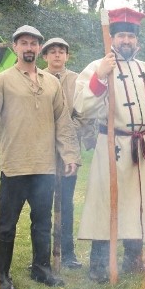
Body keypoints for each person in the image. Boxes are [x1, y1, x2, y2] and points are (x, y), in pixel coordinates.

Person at [0, 25, 80, 289]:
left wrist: (69, 153)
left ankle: (41, 267)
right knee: (8, 223)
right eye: (24, 43)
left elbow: (63, 122)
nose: (29, 47)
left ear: (38, 48)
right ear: (15, 47)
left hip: (44, 165)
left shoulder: (52, 82)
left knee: (42, 221)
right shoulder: (2, 80)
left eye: (33, 43)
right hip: (16, 164)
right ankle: (3, 274)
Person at [74, 7, 145, 282]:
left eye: (130, 36)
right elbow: (82, 107)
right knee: (107, 203)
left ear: (137, 41)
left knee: (138, 204)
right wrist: (101, 77)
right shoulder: (97, 66)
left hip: (140, 148)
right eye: (121, 36)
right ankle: (99, 266)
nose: (126, 41)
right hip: (112, 145)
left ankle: (132, 261)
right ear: (112, 38)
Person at [41, 37, 96, 269]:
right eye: (52, 52)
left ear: (67, 56)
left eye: (61, 52)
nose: (56, 55)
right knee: (42, 203)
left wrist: (66, 132)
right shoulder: (38, 78)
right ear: (45, 56)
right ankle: (42, 254)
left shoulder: (77, 80)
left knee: (66, 202)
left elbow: (84, 112)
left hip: (69, 150)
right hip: (42, 150)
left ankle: (68, 252)